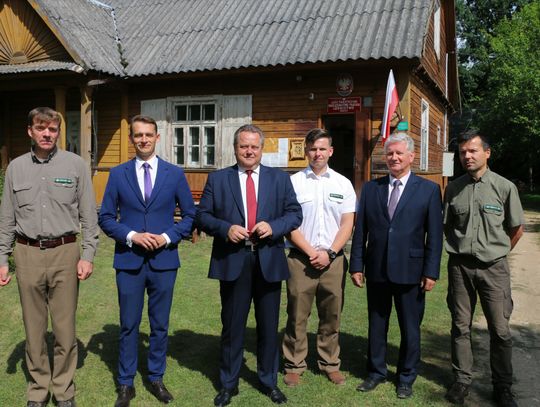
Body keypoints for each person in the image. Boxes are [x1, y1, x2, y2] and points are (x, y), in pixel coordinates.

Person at [196, 124, 302, 406]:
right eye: (244, 146)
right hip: (233, 259)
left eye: (254, 146)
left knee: (269, 326)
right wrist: (225, 228)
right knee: (232, 325)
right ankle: (228, 383)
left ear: (261, 148)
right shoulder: (218, 180)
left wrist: (275, 226)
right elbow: (202, 215)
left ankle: (268, 380)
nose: (249, 151)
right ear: (235, 148)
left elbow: (294, 214)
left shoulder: (279, 179)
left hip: (268, 258)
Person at [0, 107, 99, 407]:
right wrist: (3, 258)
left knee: (64, 328)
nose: (47, 134)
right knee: (33, 328)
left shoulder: (76, 165)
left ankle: (64, 390)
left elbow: (89, 216)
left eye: (52, 129)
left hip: (65, 253)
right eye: (41, 128)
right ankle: (38, 390)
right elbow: (6, 219)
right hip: (27, 253)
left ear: (58, 132)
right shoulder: (15, 168)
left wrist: (88, 254)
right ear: (30, 131)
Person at [98, 115, 195, 407]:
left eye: (148, 135)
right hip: (129, 260)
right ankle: (126, 383)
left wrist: (166, 237)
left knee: (159, 324)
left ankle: (155, 377)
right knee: (128, 324)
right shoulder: (117, 174)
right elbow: (105, 217)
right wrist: (131, 236)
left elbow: (190, 216)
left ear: (157, 137)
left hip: (164, 260)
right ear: (131, 139)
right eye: (138, 135)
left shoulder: (174, 174)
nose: (143, 140)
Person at [349, 132, 443, 399]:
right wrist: (357, 265)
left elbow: (434, 236)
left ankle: (406, 377)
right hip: (377, 269)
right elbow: (361, 232)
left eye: (399, 153)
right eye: (389, 153)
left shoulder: (428, 190)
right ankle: (376, 372)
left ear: (411, 157)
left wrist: (430, 271)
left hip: (411, 272)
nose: (394, 158)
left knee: (410, 328)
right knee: (376, 325)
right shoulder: (370, 189)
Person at [443, 130, 523, 407]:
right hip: (460, 268)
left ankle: (502, 387)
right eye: (463, 152)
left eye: (473, 151)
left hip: (493, 269)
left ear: (487, 153)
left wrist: (496, 252)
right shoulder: (453, 189)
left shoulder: (504, 187)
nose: (467, 156)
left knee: (500, 330)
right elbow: (447, 226)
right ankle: (462, 380)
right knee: (460, 326)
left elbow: (516, 229)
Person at [281, 128, 356, 387]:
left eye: (322, 149)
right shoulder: (292, 182)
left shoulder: (342, 183)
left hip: (333, 261)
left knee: (331, 315)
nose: (317, 153)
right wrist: (313, 253)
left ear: (331, 151)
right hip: (301, 259)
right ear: (306, 151)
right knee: (297, 314)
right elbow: (289, 223)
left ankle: (330, 363)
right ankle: (294, 364)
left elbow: (348, 222)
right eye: (312, 149)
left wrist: (331, 253)